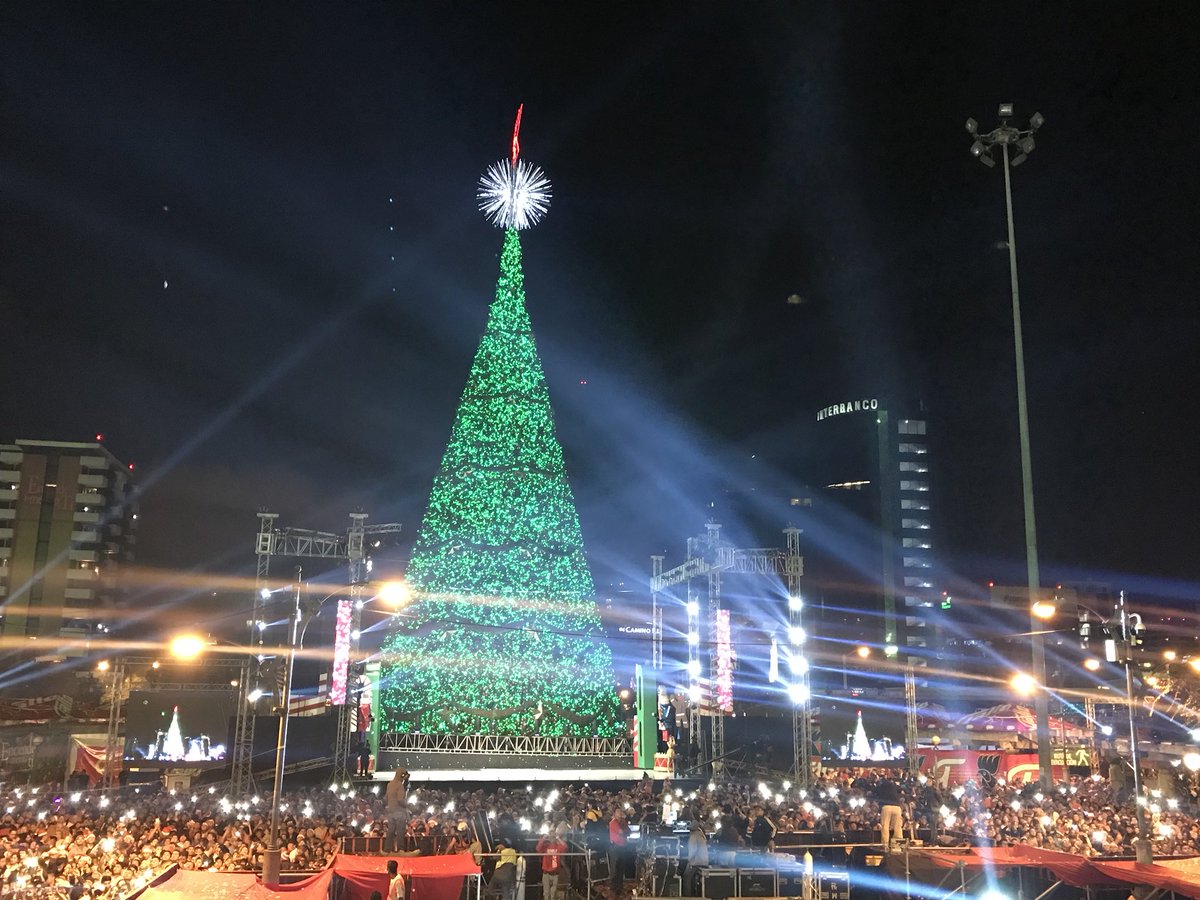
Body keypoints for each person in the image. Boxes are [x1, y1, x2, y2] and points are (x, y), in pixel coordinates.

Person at [536, 825, 568, 900]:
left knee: (553, 894)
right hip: (546, 873)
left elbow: (565, 847)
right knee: (546, 893)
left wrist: (557, 837)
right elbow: (538, 848)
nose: (551, 837)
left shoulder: (558, 846)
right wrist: (544, 838)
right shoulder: (545, 846)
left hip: (555, 873)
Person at [874, 775, 904, 849]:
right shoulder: (894, 785)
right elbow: (902, 791)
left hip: (886, 807)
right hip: (897, 807)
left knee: (885, 827)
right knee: (898, 827)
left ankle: (885, 846)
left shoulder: (882, 785)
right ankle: (898, 846)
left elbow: (875, 791)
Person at [386, 769, 411, 852]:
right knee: (400, 831)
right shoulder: (399, 785)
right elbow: (400, 800)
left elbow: (386, 797)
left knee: (390, 832)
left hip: (390, 811)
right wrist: (408, 805)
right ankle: (401, 849)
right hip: (399, 812)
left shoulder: (389, 784)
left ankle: (387, 850)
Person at [682, 820, 708, 897]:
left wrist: (689, 862)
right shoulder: (701, 835)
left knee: (686, 877)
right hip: (704, 861)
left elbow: (692, 851)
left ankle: (688, 896)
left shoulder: (693, 837)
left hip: (696, 862)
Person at [607, 809, 629, 896]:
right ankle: (613, 887)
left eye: (621, 813)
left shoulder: (622, 822)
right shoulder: (613, 823)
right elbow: (622, 832)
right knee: (615, 868)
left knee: (621, 868)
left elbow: (628, 831)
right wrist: (624, 831)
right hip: (615, 847)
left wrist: (624, 828)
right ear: (615, 814)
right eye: (619, 813)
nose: (620, 815)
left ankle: (620, 886)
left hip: (623, 847)